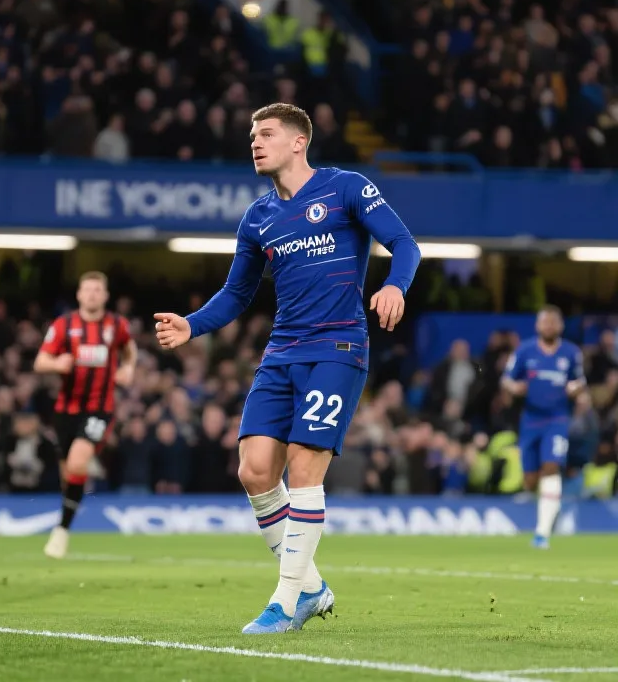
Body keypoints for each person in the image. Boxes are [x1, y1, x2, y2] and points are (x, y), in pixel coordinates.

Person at [154, 103, 420, 634]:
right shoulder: (258, 217)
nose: (255, 143)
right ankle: (313, 588)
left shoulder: (345, 188)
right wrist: (192, 325)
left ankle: (284, 601)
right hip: (282, 353)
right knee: (254, 471)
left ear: (299, 142)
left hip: (337, 348)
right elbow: (237, 292)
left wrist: (394, 284)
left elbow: (404, 243)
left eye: (267, 134)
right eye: (253, 135)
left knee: (303, 467)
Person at [34, 271, 137, 558]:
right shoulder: (64, 325)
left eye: (97, 290)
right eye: (87, 289)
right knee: (68, 474)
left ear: (105, 296)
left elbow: (129, 349)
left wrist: (128, 368)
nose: (92, 294)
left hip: (99, 409)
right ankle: (65, 520)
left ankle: (61, 530)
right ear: (79, 294)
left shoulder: (117, 325)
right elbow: (40, 361)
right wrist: (57, 364)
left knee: (78, 463)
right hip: (65, 411)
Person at [500, 306, 586, 549]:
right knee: (530, 480)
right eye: (545, 322)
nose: (549, 326)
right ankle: (550, 505)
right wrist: (514, 388)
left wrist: (576, 389)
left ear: (560, 326)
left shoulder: (571, 353)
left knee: (551, 467)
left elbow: (580, 380)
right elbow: (506, 379)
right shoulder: (525, 350)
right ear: (538, 326)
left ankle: (542, 532)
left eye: (553, 322)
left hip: (557, 419)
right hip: (530, 420)